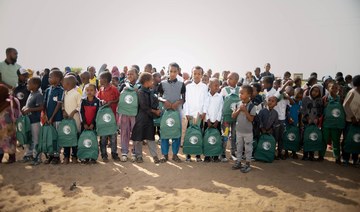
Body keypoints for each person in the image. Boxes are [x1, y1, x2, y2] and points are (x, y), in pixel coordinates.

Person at [157, 63, 186, 163]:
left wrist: (178, 102)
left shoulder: (182, 84)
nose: (173, 73)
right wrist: (164, 101)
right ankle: (165, 155)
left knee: (176, 134)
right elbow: (158, 96)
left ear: (178, 72)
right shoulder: (163, 83)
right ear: (168, 72)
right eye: (171, 71)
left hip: (176, 112)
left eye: (175, 71)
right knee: (164, 133)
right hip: (166, 112)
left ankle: (175, 155)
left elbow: (184, 98)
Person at [131, 73, 161, 163]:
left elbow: (154, 103)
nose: (153, 82)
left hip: (149, 118)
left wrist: (157, 108)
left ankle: (155, 156)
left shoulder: (150, 91)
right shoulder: (140, 92)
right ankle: (139, 156)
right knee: (138, 138)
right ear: (146, 82)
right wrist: (155, 111)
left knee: (150, 137)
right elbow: (144, 106)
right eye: (151, 80)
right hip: (141, 118)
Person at [183, 66, 208, 162]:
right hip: (190, 114)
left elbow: (206, 101)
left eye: (199, 74)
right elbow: (187, 101)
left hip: (199, 115)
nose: (197, 76)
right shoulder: (188, 87)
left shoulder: (205, 87)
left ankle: (198, 155)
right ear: (192, 74)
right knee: (189, 133)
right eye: (195, 73)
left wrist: (204, 112)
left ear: (202, 75)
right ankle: (188, 155)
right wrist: (187, 113)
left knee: (199, 133)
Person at [231, 85, 256, 173]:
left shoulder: (252, 106)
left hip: (248, 132)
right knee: (239, 147)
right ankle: (238, 162)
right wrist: (239, 110)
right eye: (239, 93)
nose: (240, 95)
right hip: (239, 131)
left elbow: (251, 119)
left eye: (242, 93)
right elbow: (233, 116)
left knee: (248, 148)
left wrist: (245, 111)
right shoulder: (238, 104)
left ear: (249, 94)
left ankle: (248, 164)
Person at [97, 71, 120, 162]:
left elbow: (118, 99)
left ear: (105, 79)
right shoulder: (101, 89)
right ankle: (104, 155)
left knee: (113, 138)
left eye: (100, 78)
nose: (99, 80)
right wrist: (101, 102)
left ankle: (114, 154)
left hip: (112, 118)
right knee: (103, 138)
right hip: (103, 119)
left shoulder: (114, 89)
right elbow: (98, 99)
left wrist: (112, 102)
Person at [43, 68, 64, 164]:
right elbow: (44, 104)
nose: (49, 78)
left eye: (50, 77)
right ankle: (50, 155)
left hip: (57, 118)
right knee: (50, 137)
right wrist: (47, 116)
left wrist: (52, 117)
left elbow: (59, 104)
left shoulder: (61, 90)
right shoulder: (47, 90)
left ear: (58, 78)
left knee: (57, 137)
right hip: (48, 119)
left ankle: (56, 156)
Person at [118, 68, 139, 162]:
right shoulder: (123, 85)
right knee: (124, 132)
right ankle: (124, 152)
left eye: (132, 74)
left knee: (135, 132)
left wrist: (136, 91)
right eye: (128, 74)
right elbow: (119, 97)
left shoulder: (140, 86)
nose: (130, 76)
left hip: (135, 113)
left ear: (137, 75)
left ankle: (134, 152)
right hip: (124, 112)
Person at [20, 77, 43, 163]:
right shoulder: (31, 93)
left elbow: (41, 107)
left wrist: (29, 110)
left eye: (29, 83)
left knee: (36, 140)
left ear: (36, 85)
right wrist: (25, 108)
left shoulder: (38, 95)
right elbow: (30, 106)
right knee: (29, 139)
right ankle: (29, 155)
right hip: (29, 121)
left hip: (35, 121)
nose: (27, 85)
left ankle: (37, 157)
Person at [322, 82, 345, 164]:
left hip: (336, 124)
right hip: (326, 124)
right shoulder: (325, 98)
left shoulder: (341, 99)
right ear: (328, 89)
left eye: (336, 88)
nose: (334, 89)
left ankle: (337, 158)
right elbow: (321, 111)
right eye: (332, 88)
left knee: (336, 141)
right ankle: (321, 156)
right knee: (324, 140)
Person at [62, 75, 82, 164]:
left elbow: (79, 105)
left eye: (63, 82)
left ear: (68, 84)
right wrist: (63, 111)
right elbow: (62, 103)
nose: (62, 84)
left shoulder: (77, 94)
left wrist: (73, 112)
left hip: (75, 119)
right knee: (67, 137)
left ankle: (74, 156)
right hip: (66, 120)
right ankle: (66, 156)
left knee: (74, 137)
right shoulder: (64, 93)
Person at [220, 72, 240, 161]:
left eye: (230, 78)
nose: (228, 80)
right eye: (227, 78)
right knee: (226, 134)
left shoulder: (240, 90)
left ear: (236, 80)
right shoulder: (224, 90)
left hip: (236, 118)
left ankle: (233, 153)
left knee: (234, 135)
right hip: (226, 119)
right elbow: (221, 103)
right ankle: (223, 153)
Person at [301, 84, 323, 161]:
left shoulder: (320, 101)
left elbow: (320, 111)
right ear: (311, 90)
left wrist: (317, 118)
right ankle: (305, 154)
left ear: (319, 93)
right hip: (306, 122)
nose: (315, 92)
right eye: (314, 90)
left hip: (315, 123)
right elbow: (303, 109)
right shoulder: (305, 99)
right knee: (306, 138)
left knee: (313, 137)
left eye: (317, 91)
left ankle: (311, 155)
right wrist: (307, 118)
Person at [80, 84, 100, 164]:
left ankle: (93, 157)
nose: (89, 92)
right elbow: (82, 112)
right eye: (87, 90)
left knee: (93, 141)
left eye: (91, 90)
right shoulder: (83, 101)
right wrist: (84, 123)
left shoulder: (97, 101)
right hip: (84, 125)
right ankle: (85, 157)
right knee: (84, 140)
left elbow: (97, 114)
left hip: (93, 125)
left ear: (95, 91)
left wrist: (92, 124)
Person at [203, 78, 223, 162]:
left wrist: (217, 121)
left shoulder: (220, 97)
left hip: (216, 122)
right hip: (207, 121)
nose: (217, 87)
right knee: (206, 138)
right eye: (215, 85)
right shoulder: (205, 96)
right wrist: (207, 120)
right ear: (210, 86)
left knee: (216, 138)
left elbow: (220, 110)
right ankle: (207, 155)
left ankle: (215, 156)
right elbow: (205, 108)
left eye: (218, 85)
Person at [342, 75, 360, 165]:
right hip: (350, 121)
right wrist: (352, 117)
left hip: (358, 122)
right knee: (347, 140)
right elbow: (345, 105)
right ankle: (345, 158)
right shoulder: (352, 92)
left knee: (356, 140)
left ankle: (355, 159)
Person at [0, 84, 20, 163]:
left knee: (7, 141)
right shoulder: (7, 101)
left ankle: (10, 158)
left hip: (6, 127)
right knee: (6, 142)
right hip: (6, 126)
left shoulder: (9, 102)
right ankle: (9, 157)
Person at [285, 88, 303, 159]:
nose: (298, 99)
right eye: (297, 97)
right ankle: (286, 152)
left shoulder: (300, 103)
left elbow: (300, 113)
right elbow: (286, 110)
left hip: (295, 123)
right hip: (288, 122)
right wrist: (288, 118)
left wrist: (300, 122)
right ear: (293, 95)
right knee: (286, 136)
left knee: (294, 137)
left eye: (300, 97)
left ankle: (294, 152)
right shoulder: (289, 101)